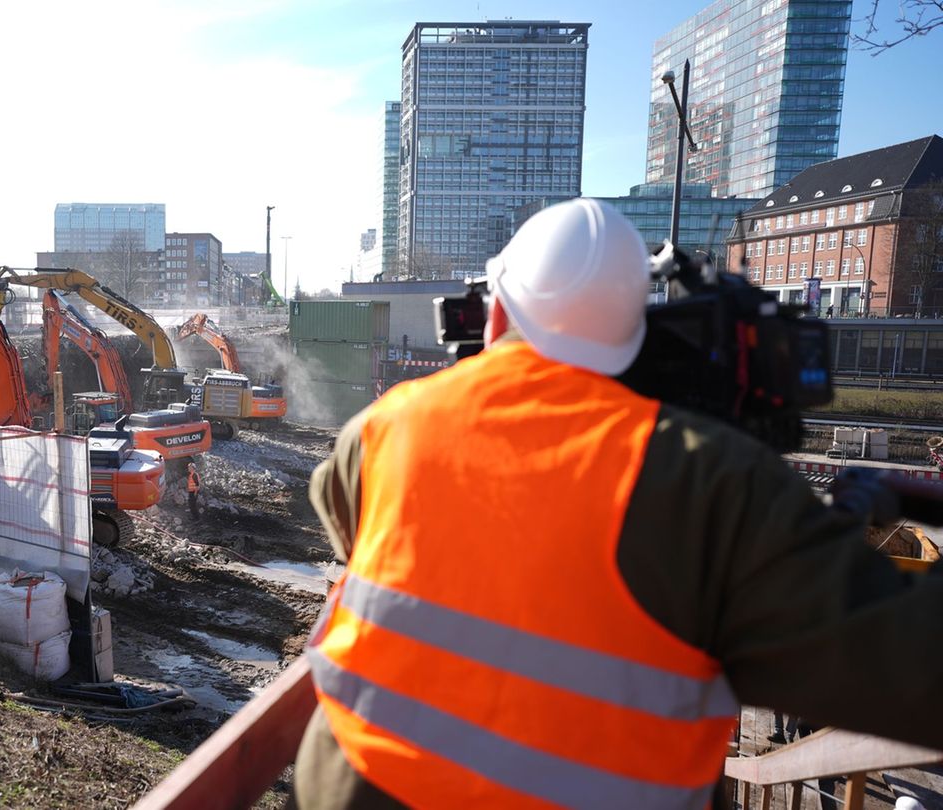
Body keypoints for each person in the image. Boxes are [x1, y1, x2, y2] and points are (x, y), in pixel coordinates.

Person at [294, 198, 943, 809]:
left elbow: (348, 517)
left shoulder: (387, 424)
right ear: (636, 339)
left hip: (352, 786)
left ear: (495, 316)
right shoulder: (707, 478)